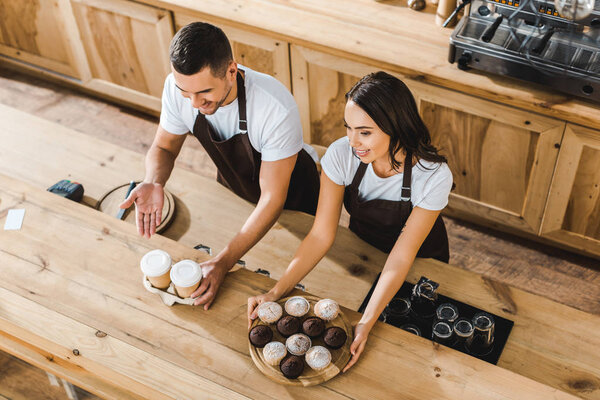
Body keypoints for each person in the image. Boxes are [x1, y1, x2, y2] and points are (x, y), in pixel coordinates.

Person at [247, 72, 452, 372]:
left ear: (395, 127)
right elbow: (320, 235)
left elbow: (401, 255)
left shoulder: (432, 175)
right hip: (363, 250)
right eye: (349, 128)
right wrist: (275, 292)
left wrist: (366, 322)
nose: (353, 141)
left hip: (421, 261)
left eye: (365, 133)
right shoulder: (341, 155)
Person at [119, 22, 320, 310]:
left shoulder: (273, 107)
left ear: (231, 71)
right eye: (185, 93)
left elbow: (273, 199)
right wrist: (154, 180)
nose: (194, 103)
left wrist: (224, 262)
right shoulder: (182, 91)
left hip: (294, 199)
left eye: (204, 93)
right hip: (236, 188)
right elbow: (163, 147)